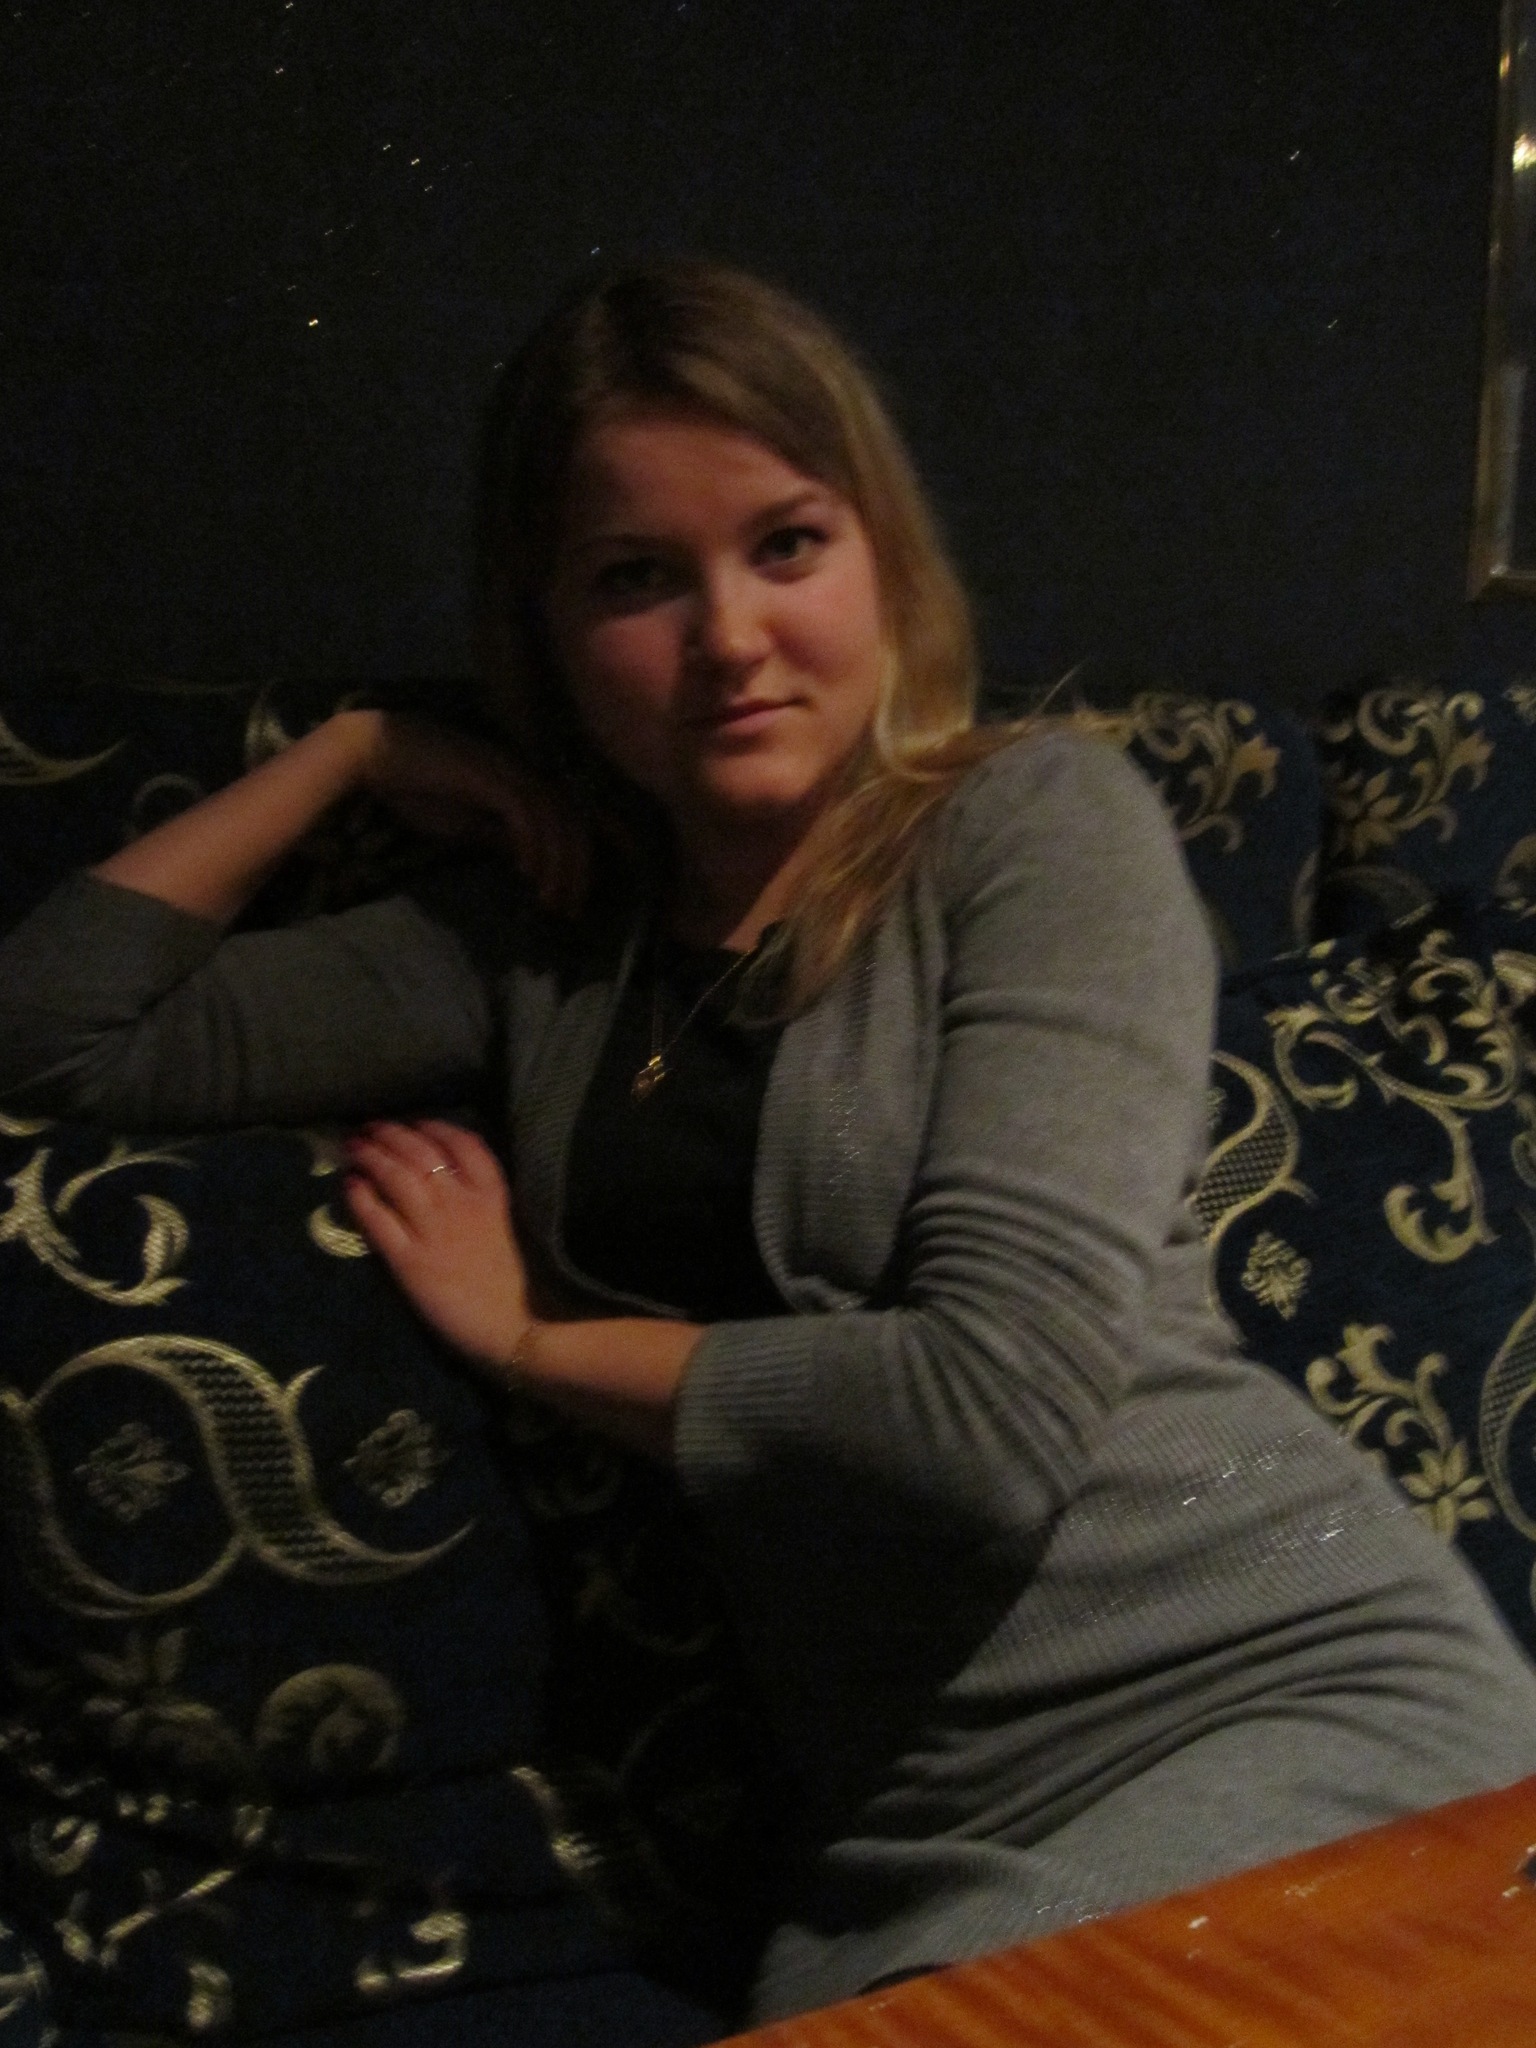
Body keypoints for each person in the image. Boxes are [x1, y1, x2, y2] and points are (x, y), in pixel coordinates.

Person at [3, 259, 1536, 2029]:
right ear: (546, 631)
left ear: (883, 560)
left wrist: (534, 1345)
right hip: (913, 1825)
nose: (730, 636)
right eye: (636, 578)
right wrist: (353, 754)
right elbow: (58, 1031)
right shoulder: (532, 952)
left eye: (788, 545)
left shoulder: (1036, 829)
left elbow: (988, 1414)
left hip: (1293, 1706)